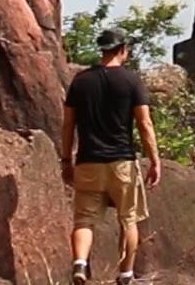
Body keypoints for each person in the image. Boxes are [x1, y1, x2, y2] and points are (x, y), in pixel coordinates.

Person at [62, 27, 162, 284]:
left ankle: (80, 264)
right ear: (122, 50)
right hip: (122, 162)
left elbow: (68, 124)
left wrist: (66, 160)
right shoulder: (131, 81)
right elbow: (144, 124)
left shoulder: (81, 81)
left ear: (102, 50)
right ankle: (126, 273)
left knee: (84, 219)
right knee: (129, 219)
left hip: (88, 161)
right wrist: (154, 160)